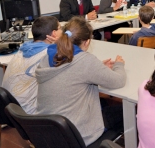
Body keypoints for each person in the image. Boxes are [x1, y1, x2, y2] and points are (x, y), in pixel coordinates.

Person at [36, 17, 126, 146]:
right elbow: (119, 81)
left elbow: (69, 72)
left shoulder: (47, 57)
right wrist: (119, 65)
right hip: (76, 135)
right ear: (87, 42)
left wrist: (98, 66)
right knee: (127, 111)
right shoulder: (85, 61)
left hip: (47, 133)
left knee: (103, 102)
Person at [2, 16, 62, 114]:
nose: (62, 31)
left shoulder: (23, 48)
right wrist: (59, 44)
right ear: (54, 33)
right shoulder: (47, 54)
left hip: (10, 107)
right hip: (27, 111)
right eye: (60, 28)